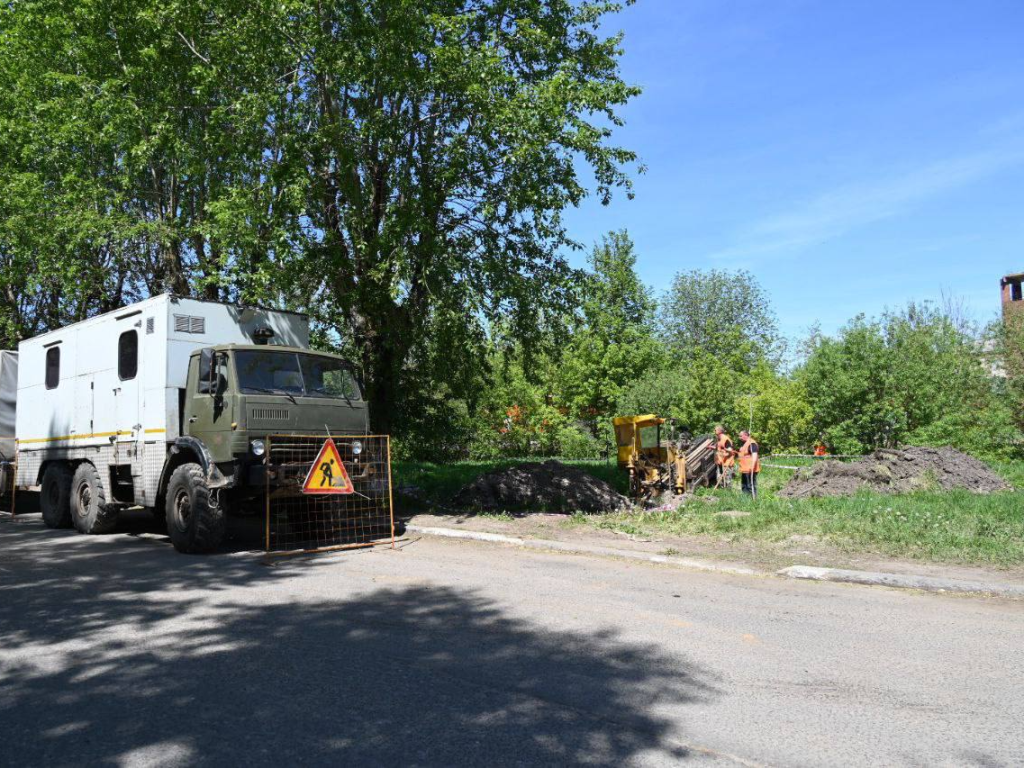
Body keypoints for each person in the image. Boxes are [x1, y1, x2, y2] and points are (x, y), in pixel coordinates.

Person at [737, 430, 761, 497]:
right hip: (744, 469)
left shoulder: (752, 443)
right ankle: (745, 499)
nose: (739, 437)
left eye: (740, 436)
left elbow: (754, 455)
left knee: (750, 486)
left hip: (750, 469)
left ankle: (753, 500)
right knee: (744, 486)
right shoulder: (745, 444)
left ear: (745, 435)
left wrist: (753, 466)